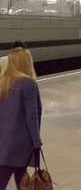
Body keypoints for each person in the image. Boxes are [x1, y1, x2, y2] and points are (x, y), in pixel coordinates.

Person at [0, 48, 43, 189]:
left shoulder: (3, 81)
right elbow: (32, 116)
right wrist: (36, 141)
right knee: (22, 180)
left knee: (12, 177)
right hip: (20, 143)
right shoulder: (28, 83)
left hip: (3, 141)